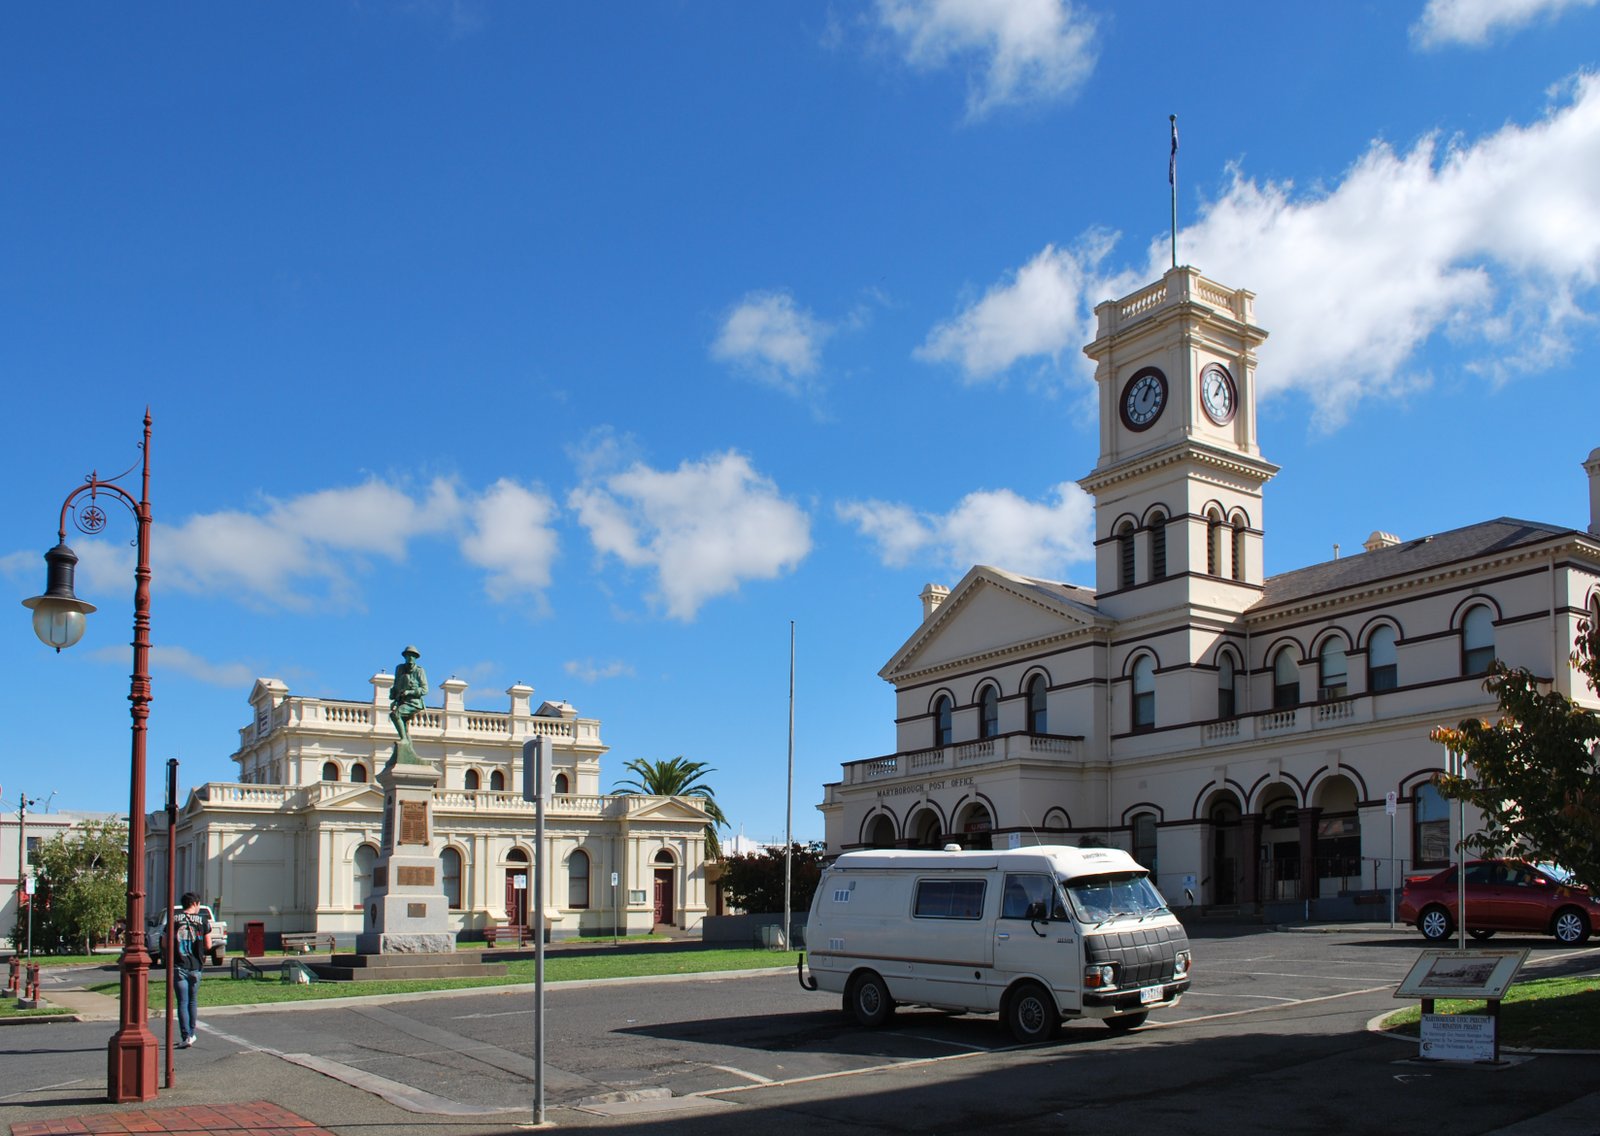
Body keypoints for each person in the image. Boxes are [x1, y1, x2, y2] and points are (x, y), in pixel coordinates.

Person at [167, 892, 211, 1048]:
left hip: (179, 964)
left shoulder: (173, 919)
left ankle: (186, 1036)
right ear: (195, 903)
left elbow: (166, 942)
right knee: (192, 1000)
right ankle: (192, 1033)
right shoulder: (203, 921)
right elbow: (208, 945)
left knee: (182, 1002)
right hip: (196, 966)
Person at [388, 645, 428, 744]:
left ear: (416, 658)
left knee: (396, 714)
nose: (410, 658)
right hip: (402, 702)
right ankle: (407, 745)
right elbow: (396, 686)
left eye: (413, 656)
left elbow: (425, 689)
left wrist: (410, 692)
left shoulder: (419, 671)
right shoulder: (399, 669)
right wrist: (395, 699)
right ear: (405, 657)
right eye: (408, 655)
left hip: (414, 702)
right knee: (404, 727)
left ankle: (404, 741)